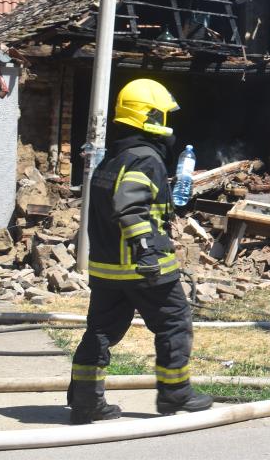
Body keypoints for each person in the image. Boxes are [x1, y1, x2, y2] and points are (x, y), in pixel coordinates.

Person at [67, 78, 213, 424]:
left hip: (107, 268)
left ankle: (86, 401)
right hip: (143, 266)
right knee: (174, 322)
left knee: (101, 332)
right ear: (150, 116)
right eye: (163, 115)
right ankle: (175, 394)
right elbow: (130, 206)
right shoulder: (145, 159)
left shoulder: (114, 158)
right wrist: (146, 251)